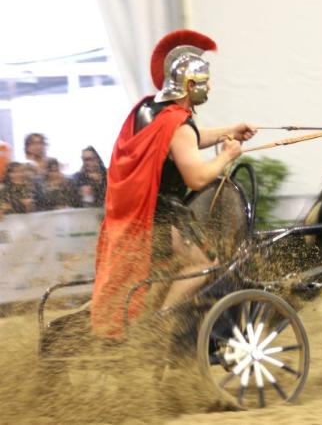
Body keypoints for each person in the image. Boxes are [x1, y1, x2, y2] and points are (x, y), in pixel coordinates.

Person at [91, 30, 257, 338]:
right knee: (204, 265)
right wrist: (227, 156)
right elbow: (196, 176)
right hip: (161, 219)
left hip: (138, 216)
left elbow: (186, 141)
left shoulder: (150, 109)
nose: (209, 88)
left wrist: (228, 131)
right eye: (205, 82)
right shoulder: (177, 124)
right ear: (189, 85)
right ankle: (160, 324)